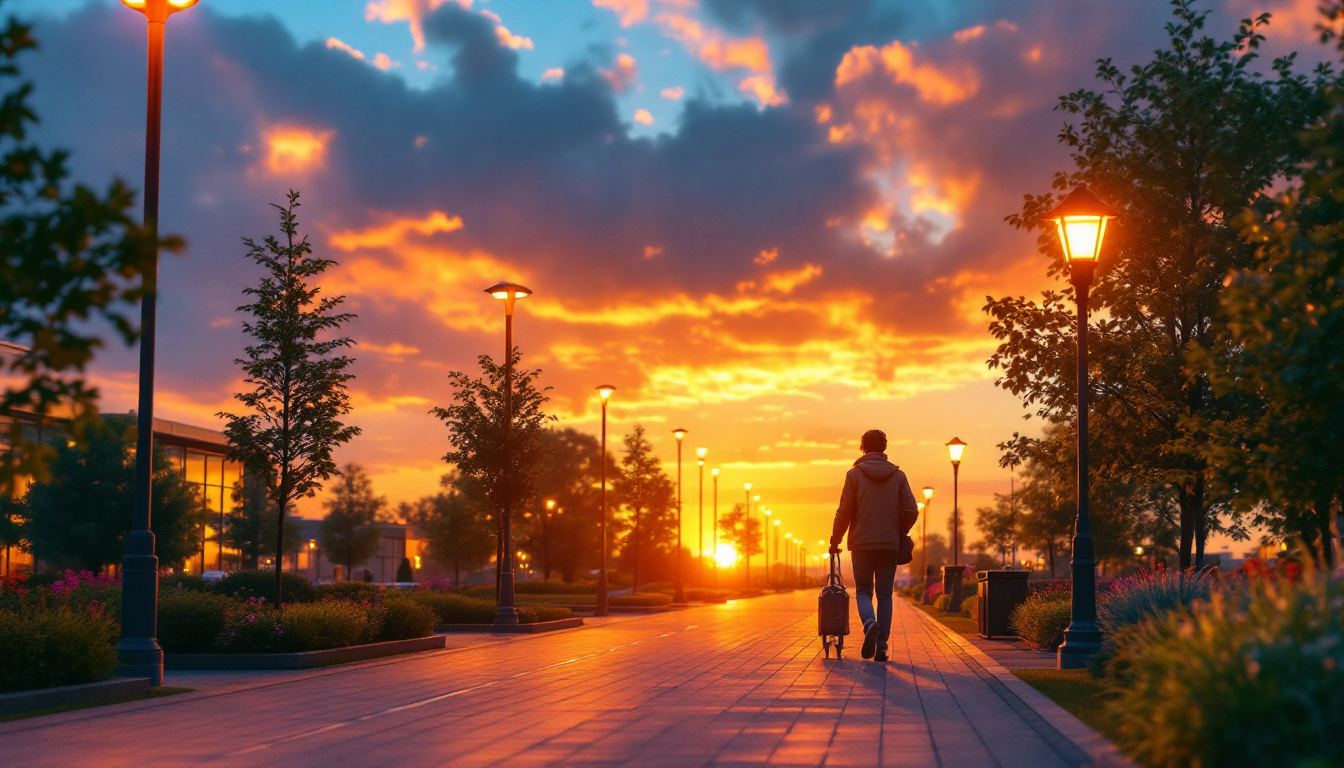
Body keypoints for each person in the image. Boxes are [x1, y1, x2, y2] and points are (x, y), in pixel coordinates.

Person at [829, 429, 919, 662]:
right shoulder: (898, 476)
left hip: (861, 543)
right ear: (885, 447)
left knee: (863, 591)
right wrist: (900, 529)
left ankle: (870, 623)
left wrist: (835, 538)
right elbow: (911, 509)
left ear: (862, 447)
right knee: (885, 594)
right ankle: (881, 646)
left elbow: (844, 511)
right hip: (889, 544)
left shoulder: (854, 475)